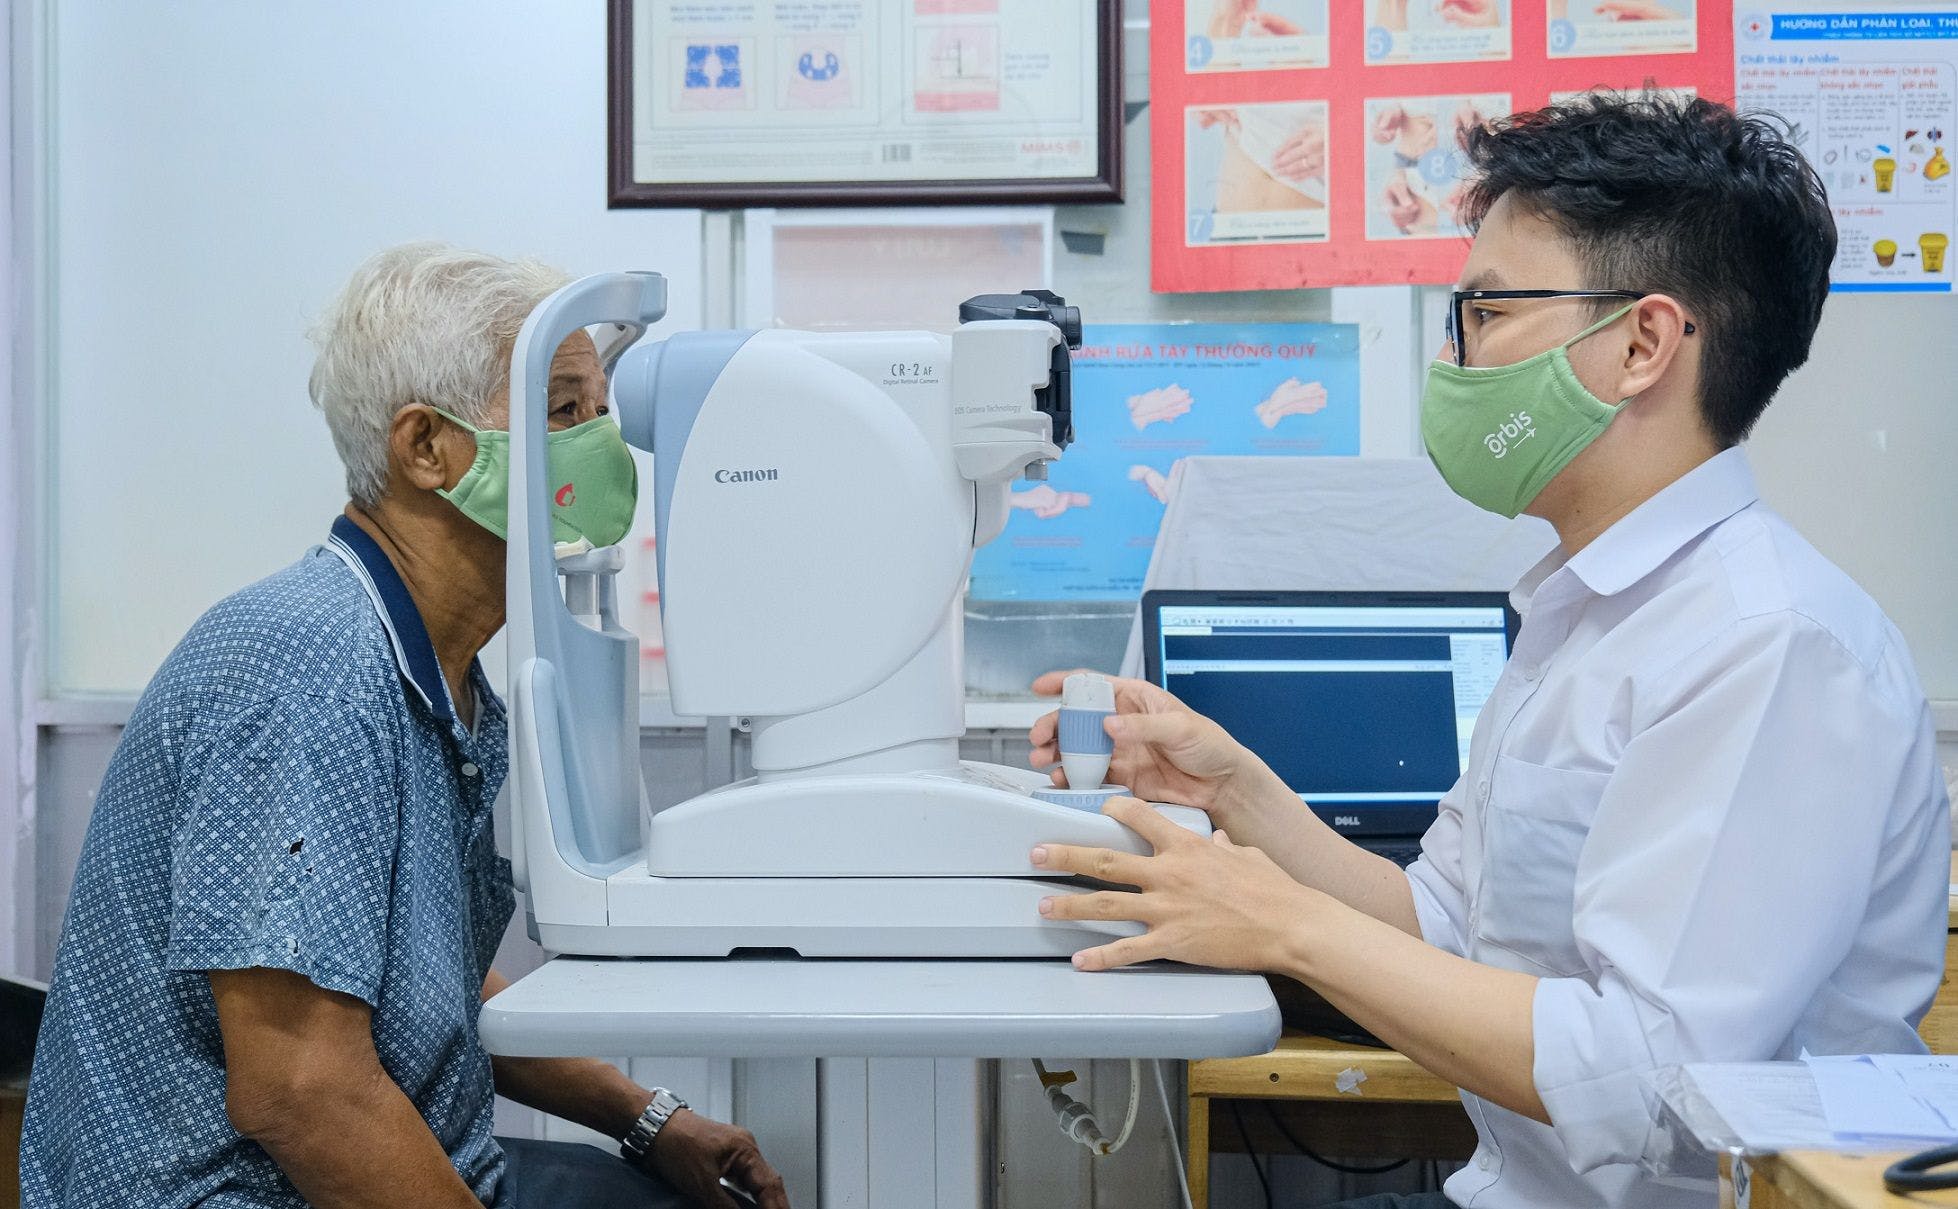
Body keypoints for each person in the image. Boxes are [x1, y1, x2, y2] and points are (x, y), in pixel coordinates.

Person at [1027, 92, 1950, 1208]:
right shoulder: (1583, 610)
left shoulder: (1766, 646)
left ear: (1641, 343)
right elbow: (1448, 924)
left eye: (1485, 311)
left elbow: (1651, 1075)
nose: (1455, 359)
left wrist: (1283, 923)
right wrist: (1240, 797)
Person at [21, 244, 790, 1209]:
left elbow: (425, 991)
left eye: (601, 410)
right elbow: (301, 1088)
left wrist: (650, 1118)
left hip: (431, 1151)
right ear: (426, 446)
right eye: (563, 410)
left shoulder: (437, 674)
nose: (603, 444)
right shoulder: (306, 672)